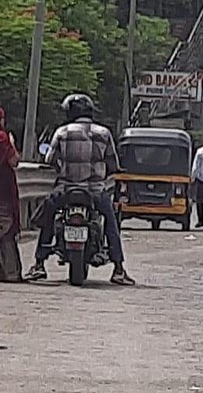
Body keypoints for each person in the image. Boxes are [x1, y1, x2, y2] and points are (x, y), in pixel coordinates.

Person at [23, 94, 135, 285]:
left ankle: (39, 263)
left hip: (66, 190)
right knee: (111, 221)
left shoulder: (62, 132)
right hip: (95, 191)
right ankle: (118, 268)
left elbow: (49, 160)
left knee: (48, 216)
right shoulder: (104, 133)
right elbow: (113, 162)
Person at [0, 106, 22, 282]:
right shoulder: (3, 138)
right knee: (6, 231)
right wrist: (12, 143)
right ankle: (10, 273)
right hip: (3, 190)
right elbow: (14, 161)